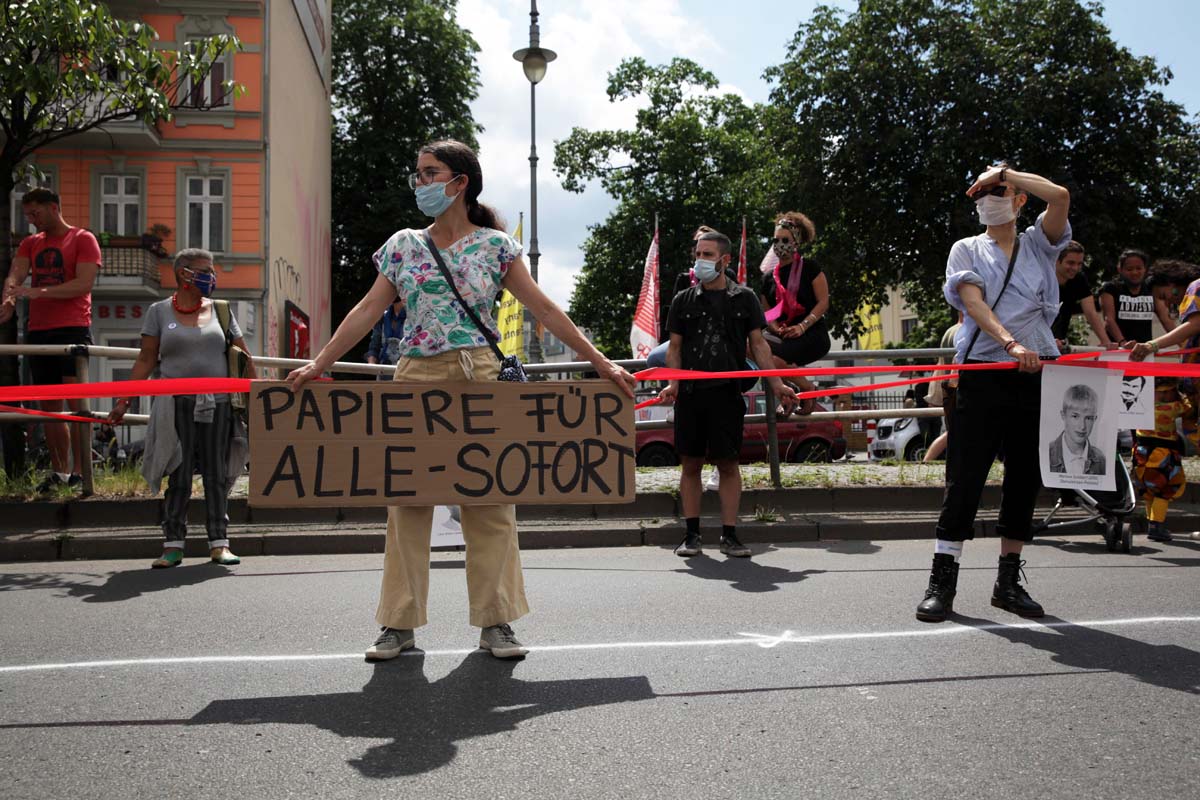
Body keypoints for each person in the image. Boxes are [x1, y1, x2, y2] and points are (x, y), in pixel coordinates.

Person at [285, 140, 636, 661]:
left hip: (482, 374)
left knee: (490, 500)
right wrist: (322, 363)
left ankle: (497, 624)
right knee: (407, 500)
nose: (421, 182)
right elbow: (367, 309)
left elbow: (542, 307)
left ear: (459, 182)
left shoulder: (496, 246)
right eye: (418, 174)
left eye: (430, 173)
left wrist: (601, 362)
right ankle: (397, 626)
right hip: (416, 376)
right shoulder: (403, 244)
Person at [915, 163, 1071, 624]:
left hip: (1035, 369)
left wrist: (1008, 173)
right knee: (965, 476)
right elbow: (974, 301)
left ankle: (1008, 581)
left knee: (1025, 475)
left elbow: (1059, 196)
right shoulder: (966, 247)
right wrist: (1009, 343)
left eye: (995, 191)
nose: (986, 197)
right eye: (980, 192)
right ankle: (942, 581)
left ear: (1019, 198)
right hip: (984, 369)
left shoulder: (1040, 244)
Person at [108, 249, 255, 568]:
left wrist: (258, 399)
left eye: (213, 270)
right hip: (174, 406)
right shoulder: (159, 312)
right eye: (204, 270)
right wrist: (123, 402)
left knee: (217, 473)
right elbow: (146, 359)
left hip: (217, 404)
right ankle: (172, 544)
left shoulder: (222, 311)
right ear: (183, 274)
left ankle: (219, 543)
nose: (211, 277)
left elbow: (244, 359)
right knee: (180, 473)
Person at [657, 230, 798, 559]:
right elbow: (674, 348)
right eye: (698, 254)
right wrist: (673, 384)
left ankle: (730, 535)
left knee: (728, 464)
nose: (700, 260)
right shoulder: (683, 300)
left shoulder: (745, 298)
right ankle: (691, 535)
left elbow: (759, 345)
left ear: (725, 260)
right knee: (690, 464)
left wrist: (777, 384)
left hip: (726, 396)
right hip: (691, 395)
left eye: (707, 255)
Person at [0, 188, 100, 494]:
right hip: (39, 331)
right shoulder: (31, 243)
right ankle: (60, 473)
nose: (31, 221)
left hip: (72, 328)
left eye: (36, 214)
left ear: (54, 208)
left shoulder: (83, 238)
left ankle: (83, 473)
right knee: (49, 406)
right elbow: (15, 275)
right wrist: (8, 298)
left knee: (76, 403)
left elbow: (83, 283)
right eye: (27, 215)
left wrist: (38, 292)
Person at [1130, 259, 1200, 541]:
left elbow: (1195, 325)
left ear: (1171, 283)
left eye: (1163, 295)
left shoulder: (1196, 287)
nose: (1167, 301)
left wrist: (1153, 345)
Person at [760, 212, 829, 414]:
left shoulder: (810, 267)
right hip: (783, 336)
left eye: (785, 240)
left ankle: (795, 394)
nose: (779, 244)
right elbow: (768, 314)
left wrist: (802, 326)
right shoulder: (767, 278)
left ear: (796, 242)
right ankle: (801, 390)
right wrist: (775, 328)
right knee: (755, 347)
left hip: (811, 334)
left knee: (769, 357)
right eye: (776, 240)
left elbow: (824, 302)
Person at [1130, 378, 1193, 543]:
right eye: (1170, 390)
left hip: (1141, 454)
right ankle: (1157, 525)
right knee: (1168, 489)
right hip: (1161, 455)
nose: (1172, 394)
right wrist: (1186, 392)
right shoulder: (1170, 408)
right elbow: (1189, 407)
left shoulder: (1139, 406)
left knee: (1150, 492)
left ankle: (1153, 524)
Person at [1100, 249, 1174, 346]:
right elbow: (1109, 320)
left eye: (1139, 268)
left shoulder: (1151, 290)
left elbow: (1166, 319)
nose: (1135, 272)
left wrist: (1184, 344)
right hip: (1117, 351)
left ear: (1145, 269)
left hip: (1143, 352)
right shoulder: (1110, 289)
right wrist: (1123, 343)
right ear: (1120, 269)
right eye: (1129, 269)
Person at [1050, 241, 1113, 351]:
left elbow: (1091, 312)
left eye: (1079, 264)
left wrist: (1106, 342)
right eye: (1070, 263)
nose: (1075, 268)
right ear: (1056, 260)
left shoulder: (1079, 279)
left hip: (1059, 342)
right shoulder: (1042, 279)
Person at [922, 312, 964, 462]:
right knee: (954, 432)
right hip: (961, 388)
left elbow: (940, 365)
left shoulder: (949, 332)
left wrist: (935, 394)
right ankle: (928, 460)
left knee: (952, 431)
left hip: (950, 388)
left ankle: (927, 461)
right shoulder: (966, 332)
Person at [1047, 384, 1106, 475]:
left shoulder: (1101, 459)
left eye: (1088, 418)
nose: (1082, 426)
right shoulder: (1047, 453)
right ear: (1063, 415)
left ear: (1095, 419)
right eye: (1075, 416)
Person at [365, 296, 407, 379]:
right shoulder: (383, 317)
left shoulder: (414, 317)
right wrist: (371, 364)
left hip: (405, 374)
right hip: (383, 374)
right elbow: (374, 347)